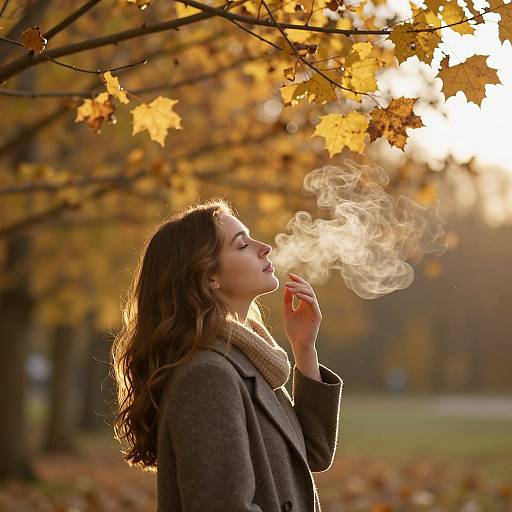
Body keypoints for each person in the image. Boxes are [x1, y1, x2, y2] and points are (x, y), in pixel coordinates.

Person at [111, 198, 343, 512]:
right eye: (242, 245)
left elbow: (314, 452)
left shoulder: (247, 359)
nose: (264, 247)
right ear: (209, 277)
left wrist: (304, 348)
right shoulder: (207, 375)